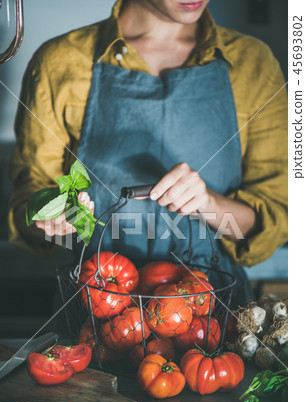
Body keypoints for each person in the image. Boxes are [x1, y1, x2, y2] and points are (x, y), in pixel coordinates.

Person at [9, 0, 288, 305]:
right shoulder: (60, 61)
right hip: (96, 312)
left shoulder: (253, 62)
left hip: (214, 315)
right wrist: (53, 218)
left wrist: (209, 203)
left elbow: (274, 220)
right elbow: (27, 205)